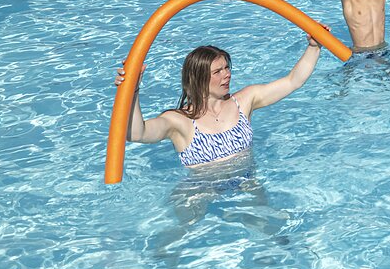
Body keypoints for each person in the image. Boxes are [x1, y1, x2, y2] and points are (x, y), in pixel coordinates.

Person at [113, 33, 325, 168]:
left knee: (274, 232)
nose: (227, 75)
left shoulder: (244, 101)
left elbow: (292, 81)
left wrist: (314, 47)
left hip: (246, 183)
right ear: (198, 78)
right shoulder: (180, 121)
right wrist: (132, 90)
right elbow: (135, 134)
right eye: (217, 71)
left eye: (226, 68)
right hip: (200, 191)